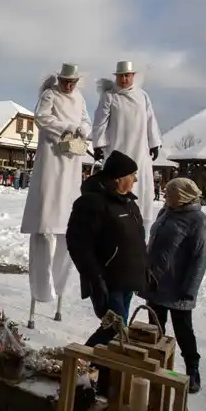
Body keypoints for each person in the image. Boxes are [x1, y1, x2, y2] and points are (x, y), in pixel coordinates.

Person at [66, 150, 147, 395]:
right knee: (114, 329)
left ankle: (101, 379)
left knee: (116, 332)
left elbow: (136, 240)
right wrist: (94, 276)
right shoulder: (91, 203)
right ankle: (76, 366)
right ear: (117, 178)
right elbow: (77, 244)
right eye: (131, 175)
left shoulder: (129, 203)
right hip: (108, 280)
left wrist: (146, 268)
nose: (135, 180)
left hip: (127, 280)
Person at [20, 62, 92, 328]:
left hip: (72, 159)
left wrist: (82, 130)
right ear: (60, 80)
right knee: (46, 222)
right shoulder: (50, 95)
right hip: (52, 157)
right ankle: (40, 289)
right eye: (65, 81)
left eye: (72, 82)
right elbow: (42, 118)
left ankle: (60, 286)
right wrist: (64, 128)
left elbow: (86, 119)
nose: (69, 86)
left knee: (66, 224)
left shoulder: (80, 98)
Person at [140, 177, 206, 394]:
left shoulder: (199, 221)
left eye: (169, 192)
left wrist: (189, 290)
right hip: (155, 282)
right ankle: (156, 367)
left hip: (179, 287)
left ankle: (193, 370)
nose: (164, 194)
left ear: (182, 196)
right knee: (154, 329)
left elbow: (200, 258)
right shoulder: (166, 212)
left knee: (184, 331)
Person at [93, 60, 162, 231]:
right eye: (121, 76)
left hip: (140, 149)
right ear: (116, 77)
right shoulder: (110, 96)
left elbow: (150, 119)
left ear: (133, 76)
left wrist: (154, 142)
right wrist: (98, 145)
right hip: (118, 147)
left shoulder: (142, 95)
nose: (124, 79)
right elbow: (100, 122)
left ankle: (140, 224)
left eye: (127, 75)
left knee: (140, 185)